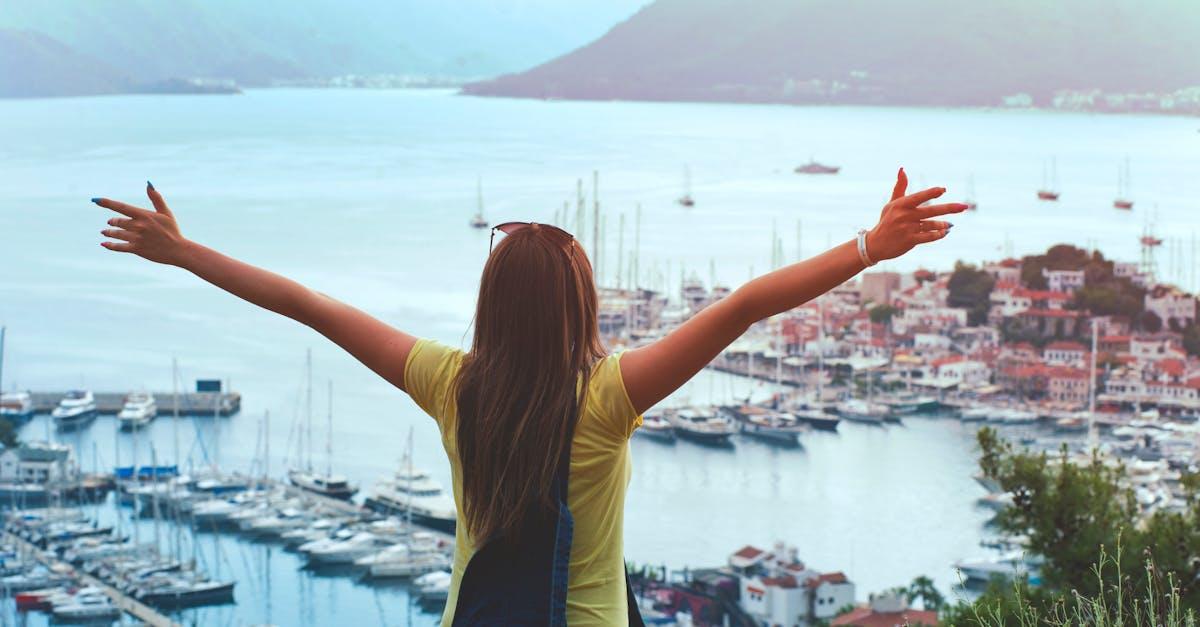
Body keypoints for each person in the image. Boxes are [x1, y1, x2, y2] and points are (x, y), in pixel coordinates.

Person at [93, 169, 963, 625]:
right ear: (581, 305)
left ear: (492, 303)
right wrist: (866, 243)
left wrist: (186, 253)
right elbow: (742, 305)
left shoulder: (449, 382)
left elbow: (309, 306)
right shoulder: (611, 396)